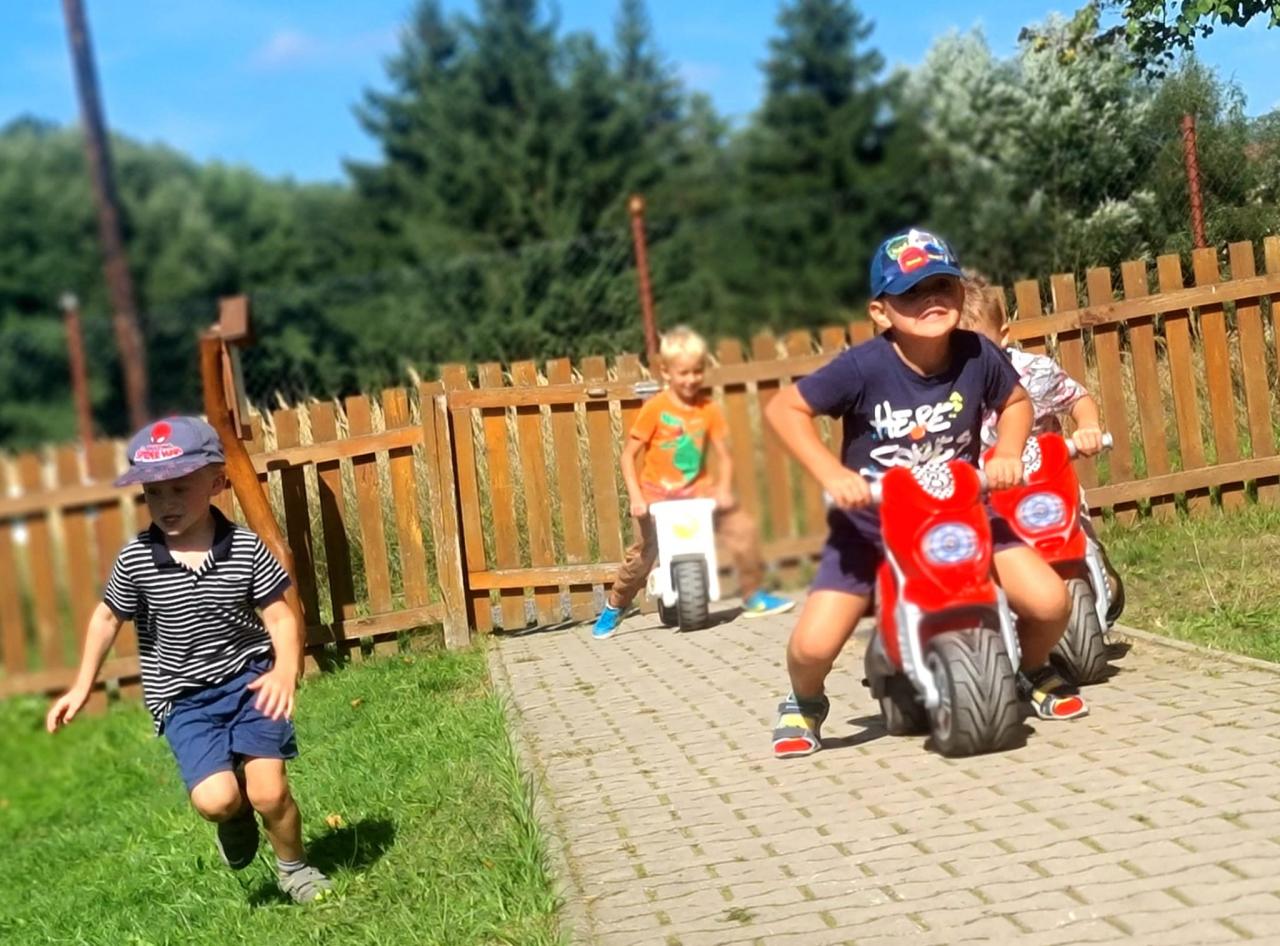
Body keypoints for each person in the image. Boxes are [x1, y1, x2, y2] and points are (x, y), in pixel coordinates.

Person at [765, 228, 1088, 760]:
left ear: (961, 293)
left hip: (961, 513)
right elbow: (786, 409)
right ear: (880, 311)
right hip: (872, 528)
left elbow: (1016, 402)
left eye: (942, 285)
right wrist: (831, 474)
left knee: (1050, 602)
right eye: (911, 292)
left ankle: (1029, 670)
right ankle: (804, 701)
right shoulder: (863, 367)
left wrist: (1007, 452)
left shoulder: (978, 354)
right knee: (813, 645)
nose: (930, 299)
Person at [46, 416, 332, 903]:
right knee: (216, 800)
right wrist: (81, 685)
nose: (167, 503)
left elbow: (280, 617)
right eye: (154, 493)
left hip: (252, 682)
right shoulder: (137, 559)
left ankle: (295, 870)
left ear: (217, 482)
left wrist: (285, 669)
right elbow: (106, 619)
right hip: (184, 699)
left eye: (180, 488)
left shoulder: (245, 549)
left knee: (270, 791)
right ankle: (234, 817)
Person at [593, 326, 794, 639]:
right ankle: (615, 606)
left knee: (742, 529)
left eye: (697, 371)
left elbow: (725, 456)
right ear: (667, 372)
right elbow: (627, 456)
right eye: (683, 373)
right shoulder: (655, 408)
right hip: (656, 497)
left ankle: (752, 595)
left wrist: (723, 489)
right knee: (642, 557)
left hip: (697, 493)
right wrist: (636, 497)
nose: (691, 379)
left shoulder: (708, 409)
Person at [961, 270, 1123, 623]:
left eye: (980, 348)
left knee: (1078, 537)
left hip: (1048, 482)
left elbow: (1077, 398)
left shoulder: (1035, 372)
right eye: (959, 351)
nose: (973, 362)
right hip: (991, 494)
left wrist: (1088, 427)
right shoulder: (953, 392)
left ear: (1003, 335)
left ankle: (1099, 575)